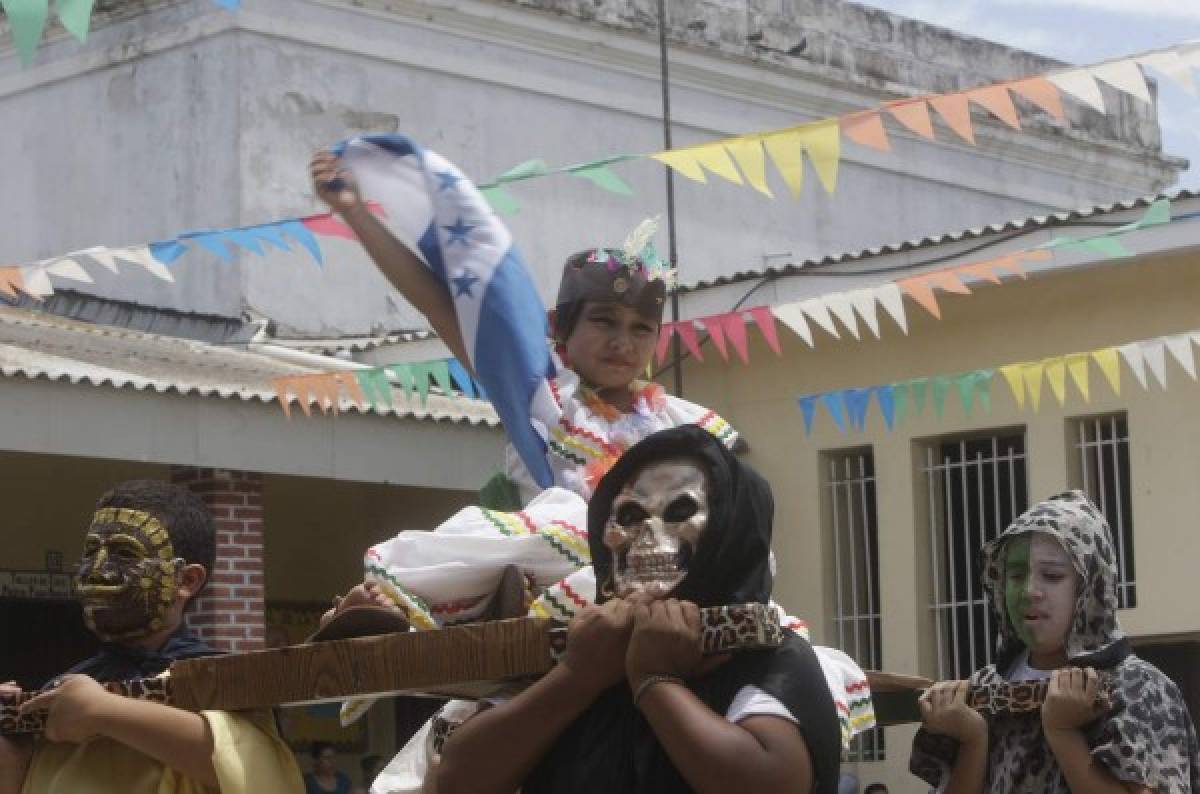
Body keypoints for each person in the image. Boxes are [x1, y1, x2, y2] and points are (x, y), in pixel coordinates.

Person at [434, 425, 843, 794]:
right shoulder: (584, 650)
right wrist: (578, 677)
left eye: (680, 513)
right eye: (629, 516)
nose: (648, 536)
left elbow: (771, 783)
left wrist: (655, 680)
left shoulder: (768, 659)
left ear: (729, 535)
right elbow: (458, 780)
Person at [0, 480, 303, 794]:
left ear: (186, 580)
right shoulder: (63, 691)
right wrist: (9, 737)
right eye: (92, 551)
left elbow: (252, 770)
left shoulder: (224, 679)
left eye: (124, 553)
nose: (97, 568)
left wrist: (101, 711)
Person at [910, 490, 1200, 794]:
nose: (1029, 591)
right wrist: (973, 739)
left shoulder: (1135, 687)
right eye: (1016, 575)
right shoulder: (981, 691)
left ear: (1090, 586)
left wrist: (1063, 734)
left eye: (1051, 575)